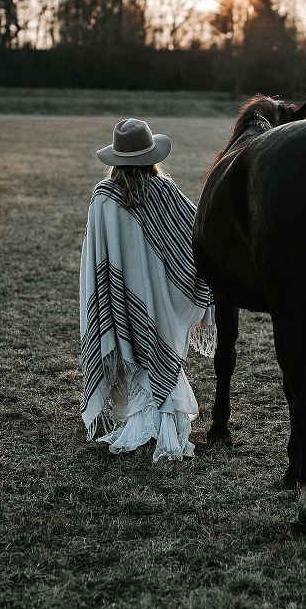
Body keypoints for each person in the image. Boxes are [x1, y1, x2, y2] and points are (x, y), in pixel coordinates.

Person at [79, 118, 215, 462]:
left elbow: (95, 258)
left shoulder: (104, 197)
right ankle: (158, 421)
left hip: (120, 298)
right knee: (158, 347)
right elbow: (199, 233)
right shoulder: (165, 192)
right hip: (161, 300)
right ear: (152, 157)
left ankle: (141, 420)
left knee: (135, 351)